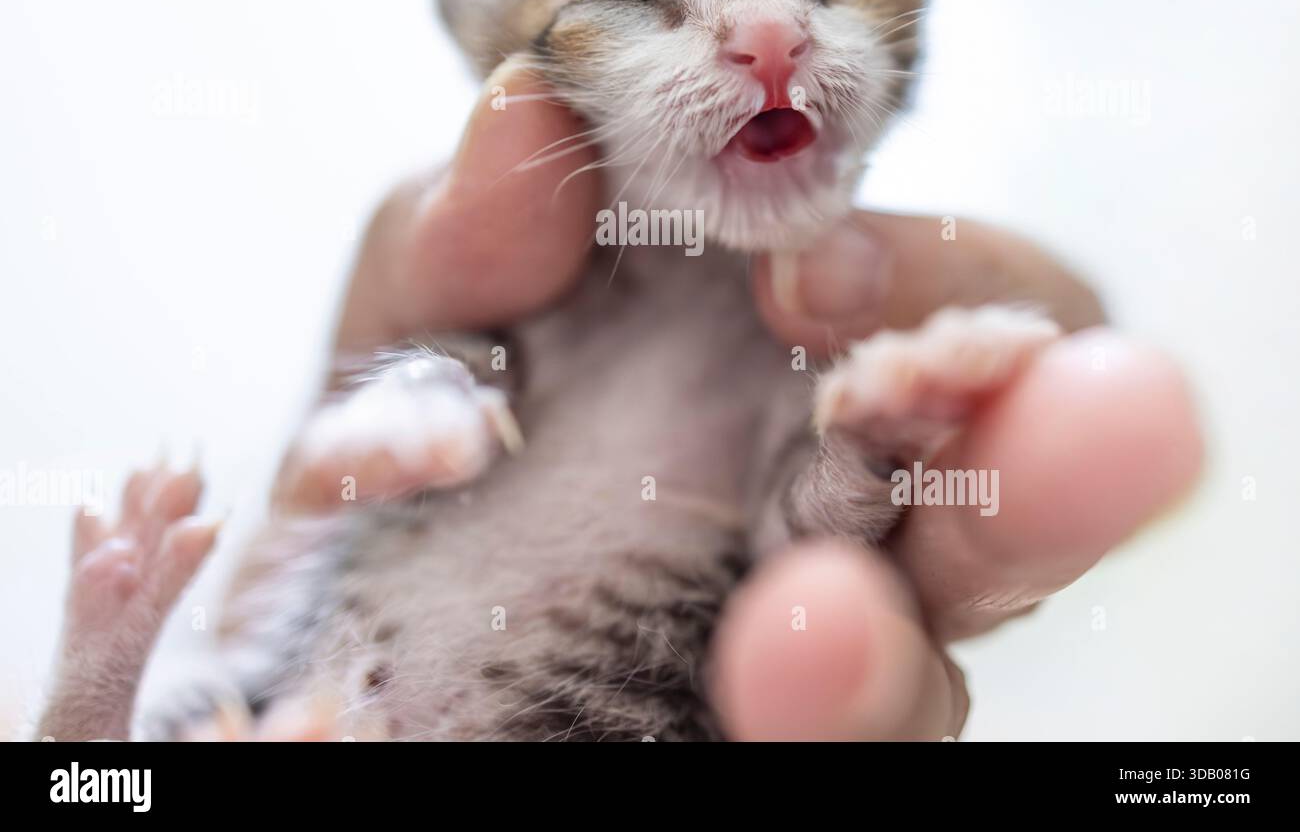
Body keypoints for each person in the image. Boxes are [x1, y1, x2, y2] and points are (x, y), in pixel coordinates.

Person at [309, 64, 1202, 741]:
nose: (767, 49)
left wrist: (876, 437)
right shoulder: (542, 279)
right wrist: (403, 407)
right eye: (640, 3)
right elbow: (436, 387)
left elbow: (810, 533)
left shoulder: (807, 342)